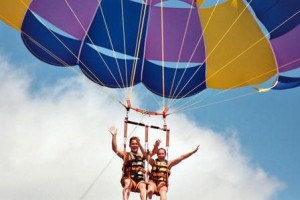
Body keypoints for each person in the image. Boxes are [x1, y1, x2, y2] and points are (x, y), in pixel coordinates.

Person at [109, 126, 159, 200]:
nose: (134, 145)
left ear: (138, 145)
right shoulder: (126, 155)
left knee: (143, 188)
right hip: (129, 178)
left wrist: (156, 146)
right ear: (130, 145)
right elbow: (115, 148)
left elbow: (154, 152)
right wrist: (114, 136)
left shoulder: (142, 155)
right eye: (133, 144)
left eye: (136, 144)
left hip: (140, 180)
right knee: (127, 184)